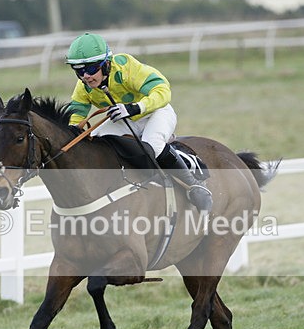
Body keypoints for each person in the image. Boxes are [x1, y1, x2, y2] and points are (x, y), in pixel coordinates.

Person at [65, 32, 212, 212]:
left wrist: (136, 108)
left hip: (155, 112)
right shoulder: (83, 87)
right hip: (123, 118)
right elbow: (76, 115)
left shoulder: (126, 67)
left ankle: (194, 183)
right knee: (94, 143)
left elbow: (162, 90)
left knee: (152, 147)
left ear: (106, 63)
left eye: (91, 68)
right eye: (79, 70)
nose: (86, 76)